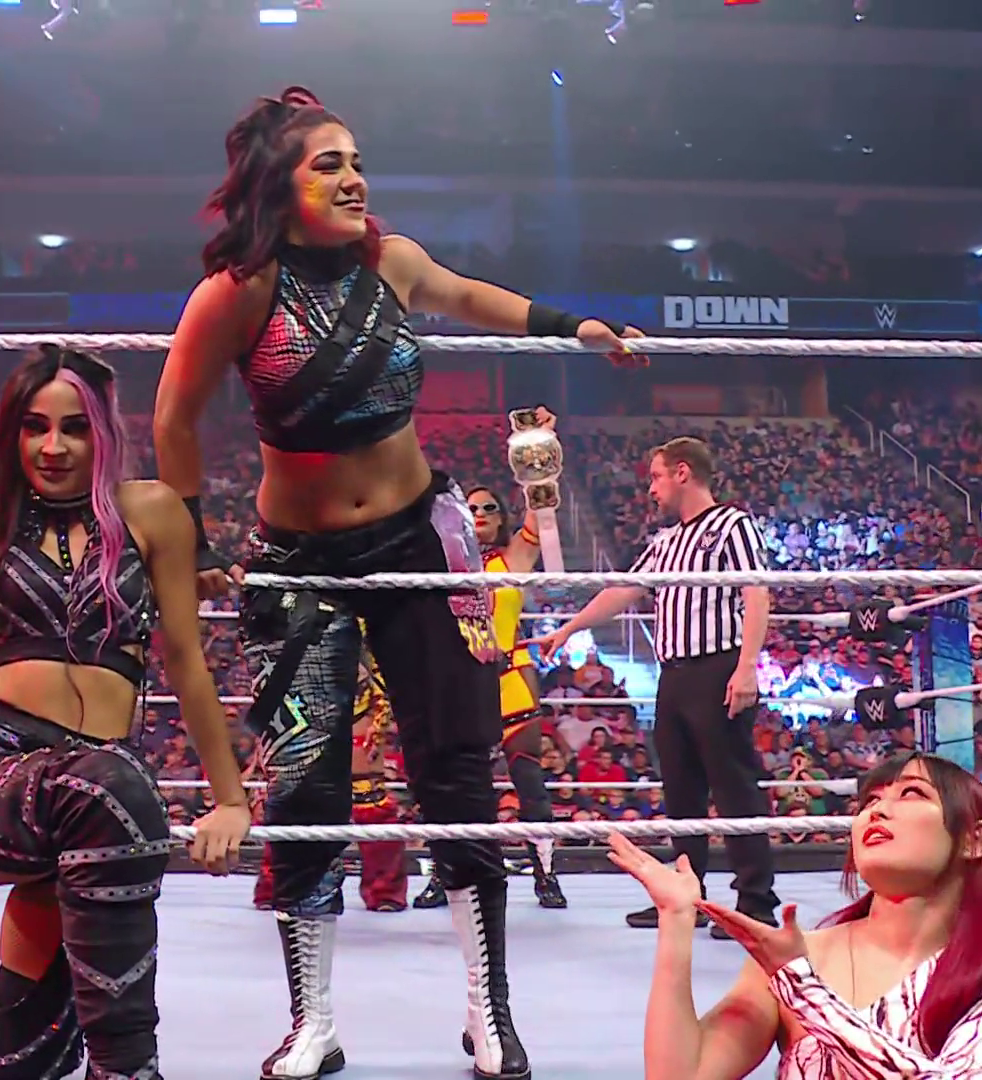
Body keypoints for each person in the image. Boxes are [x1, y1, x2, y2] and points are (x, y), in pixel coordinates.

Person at [153, 85, 640, 1080]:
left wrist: (574, 325)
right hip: (302, 561)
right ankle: (313, 1021)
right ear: (279, 184)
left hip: (421, 540)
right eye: (328, 163)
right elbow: (174, 416)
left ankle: (489, 1011)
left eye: (357, 161)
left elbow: (471, 297)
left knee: (455, 768)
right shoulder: (238, 291)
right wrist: (196, 541)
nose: (353, 179)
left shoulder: (393, 261)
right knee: (306, 780)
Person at [0, 346, 252, 1080]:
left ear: (105, 433)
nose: (53, 446)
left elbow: (187, 662)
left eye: (74, 428)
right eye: (35, 427)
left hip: (92, 791)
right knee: (113, 790)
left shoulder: (153, 511)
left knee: (15, 1063)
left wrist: (229, 800)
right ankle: (127, 1069)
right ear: (13, 432)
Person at [612, 752, 982, 1080]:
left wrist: (802, 987)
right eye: (868, 802)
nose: (877, 810)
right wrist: (676, 921)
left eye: (911, 793)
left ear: (973, 839)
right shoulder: (794, 957)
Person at [529, 436, 779, 933]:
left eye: (657, 476)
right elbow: (624, 589)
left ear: (683, 472)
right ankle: (685, 897)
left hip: (718, 667)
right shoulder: (666, 542)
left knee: (733, 786)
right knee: (681, 791)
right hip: (675, 676)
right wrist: (570, 628)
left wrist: (747, 665)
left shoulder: (732, 525)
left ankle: (755, 903)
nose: (651, 488)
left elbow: (756, 592)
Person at [413, 471, 566, 910]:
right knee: (448, 786)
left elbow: (540, 519)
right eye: (472, 507)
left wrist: (539, 472)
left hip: (509, 679)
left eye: (489, 508)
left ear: (501, 519)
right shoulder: (438, 564)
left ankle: (546, 876)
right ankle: (444, 874)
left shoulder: (512, 559)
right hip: (457, 684)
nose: (479, 514)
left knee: (530, 783)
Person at [254, 642, 410, 913]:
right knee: (293, 795)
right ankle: (278, 884)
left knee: (369, 798)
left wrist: (381, 712)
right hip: (299, 694)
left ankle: (384, 889)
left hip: (356, 689)